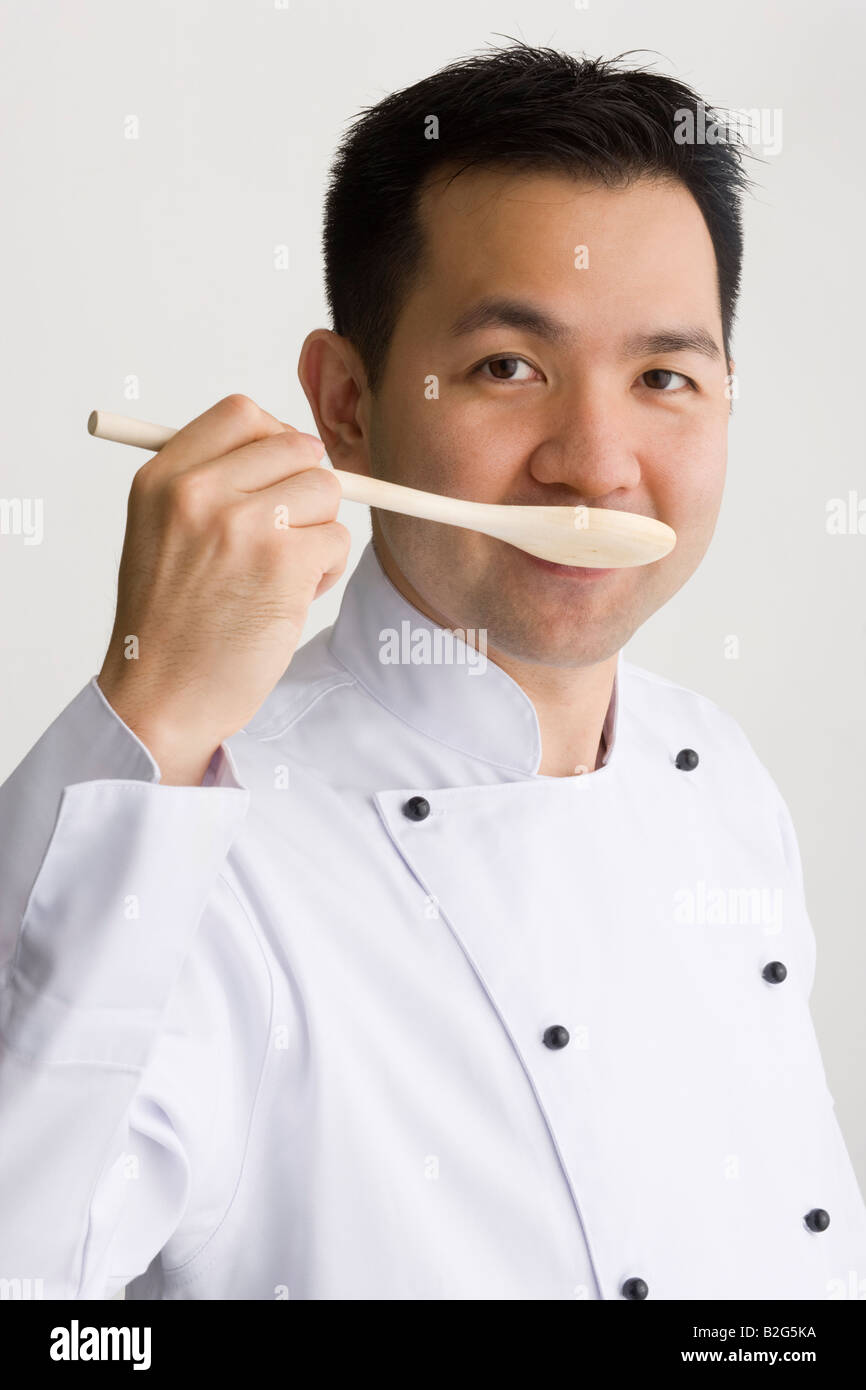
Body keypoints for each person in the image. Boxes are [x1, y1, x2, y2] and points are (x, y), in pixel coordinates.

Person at [1, 42, 864, 1302]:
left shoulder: (720, 777)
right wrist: (152, 705)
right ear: (345, 404)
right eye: (507, 368)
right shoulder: (193, 847)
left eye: (664, 376)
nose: (595, 462)